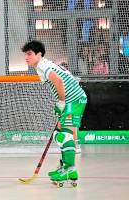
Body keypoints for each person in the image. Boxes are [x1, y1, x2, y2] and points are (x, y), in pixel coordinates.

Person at [22, 40, 87, 185]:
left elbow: (58, 81)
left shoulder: (42, 65)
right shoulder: (46, 64)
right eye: (25, 55)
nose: (26, 57)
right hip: (72, 100)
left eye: (29, 54)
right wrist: (61, 105)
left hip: (73, 100)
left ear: (39, 54)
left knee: (65, 135)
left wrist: (62, 103)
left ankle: (70, 169)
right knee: (60, 132)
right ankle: (65, 167)